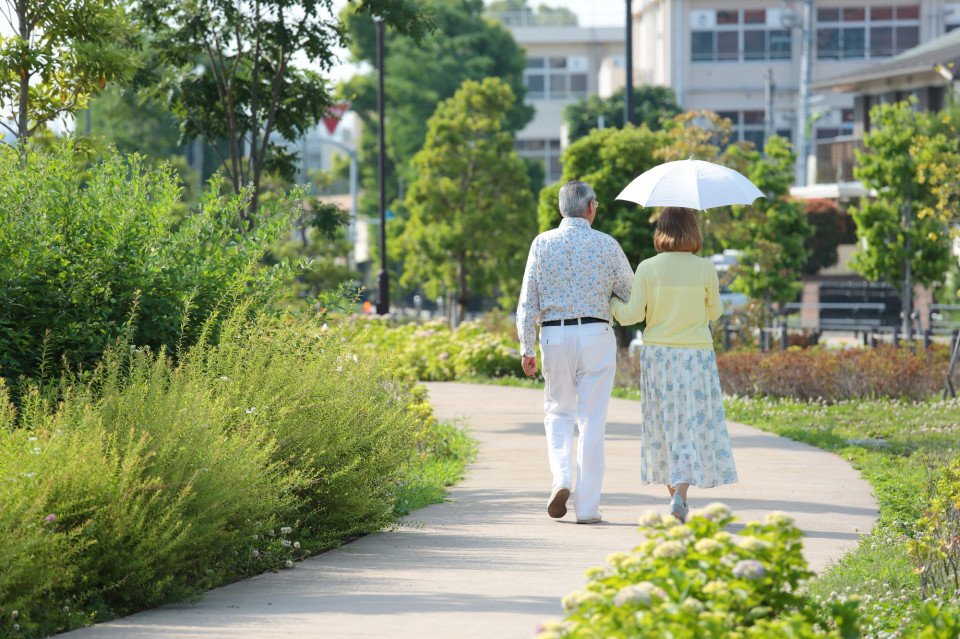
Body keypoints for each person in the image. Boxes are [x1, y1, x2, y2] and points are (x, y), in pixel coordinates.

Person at [610, 206, 738, 522]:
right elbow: (715, 313)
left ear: (661, 231)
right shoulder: (706, 268)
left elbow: (633, 316)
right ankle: (680, 496)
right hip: (696, 356)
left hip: (658, 356)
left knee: (662, 425)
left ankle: (676, 498)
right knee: (691, 424)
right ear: (693, 231)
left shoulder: (647, 268)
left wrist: (612, 301)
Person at [516, 181, 634, 524]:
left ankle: (562, 478)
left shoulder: (542, 243)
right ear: (591, 207)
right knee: (592, 420)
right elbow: (629, 291)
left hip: (554, 335)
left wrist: (526, 346)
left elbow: (528, 301)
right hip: (596, 332)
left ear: (561, 208)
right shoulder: (607, 244)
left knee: (558, 413)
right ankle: (587, 508)